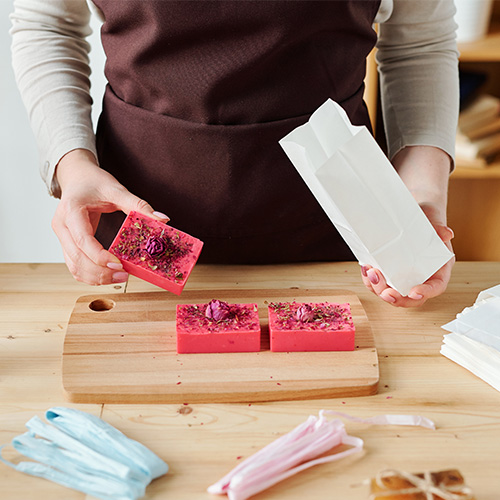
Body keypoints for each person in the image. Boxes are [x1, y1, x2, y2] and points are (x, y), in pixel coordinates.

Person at [11, 0, 458, 307]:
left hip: (344, 228)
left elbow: (419, 43)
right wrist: (72, 166)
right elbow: (48, 24)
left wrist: (422, 192)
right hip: (138, 227)